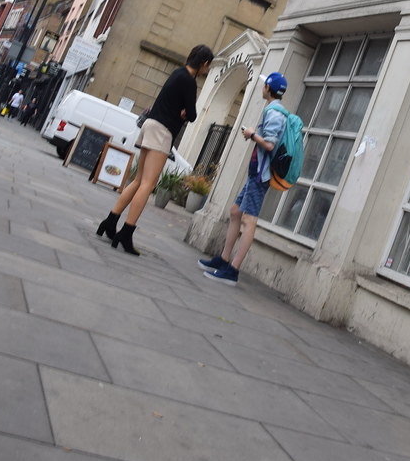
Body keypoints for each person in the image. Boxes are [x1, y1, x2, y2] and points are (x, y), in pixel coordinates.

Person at [96, 44, 213, 256]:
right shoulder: (189, 81)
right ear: (204, 63)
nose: (206, 70)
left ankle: (110, 221)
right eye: (207, 66)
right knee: (148, 184)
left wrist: (184, 110)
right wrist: (184, 112)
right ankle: (126, 232)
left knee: (139, 180)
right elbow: (193, 115)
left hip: (150, 125)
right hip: (162, 131)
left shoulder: (177, 73)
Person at [198, 71, 288, 285]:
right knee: (235, 212)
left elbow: (269, 144)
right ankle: (223, 259)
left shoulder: (275, 113)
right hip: (256, 172)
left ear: (268, 88)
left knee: (248, 220)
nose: (262, 87)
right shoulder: (273, 109)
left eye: (264, 84)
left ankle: (233, 269)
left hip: (261, 175)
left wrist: (251, 134)